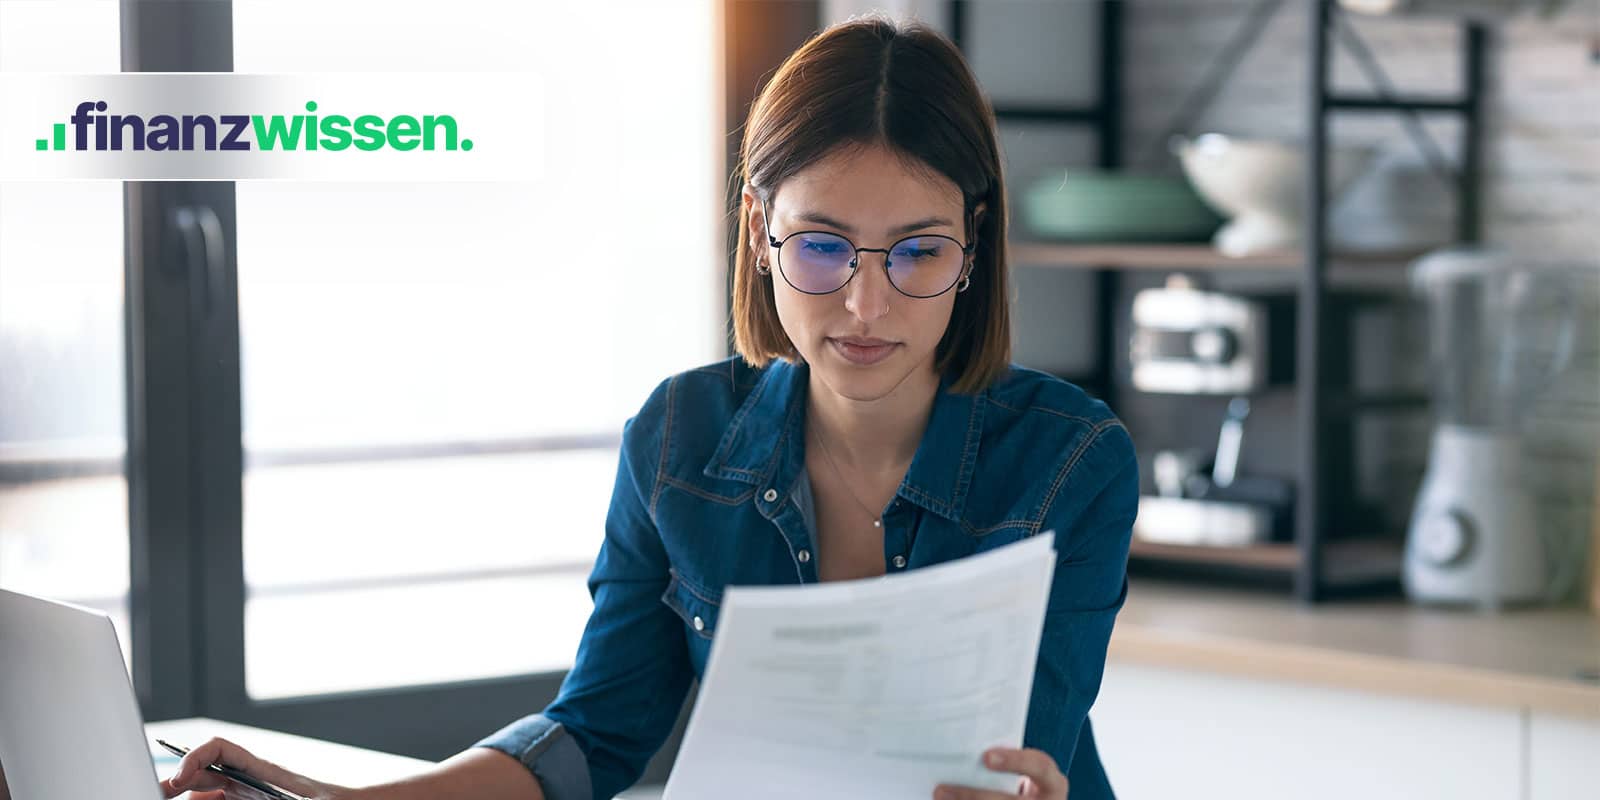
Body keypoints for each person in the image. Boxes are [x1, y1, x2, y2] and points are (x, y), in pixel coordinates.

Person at [164, 15, 1137, 800]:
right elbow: (591, 735)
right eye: (823, 246)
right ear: (759, 229)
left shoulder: (1070, 459)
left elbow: (1024, 758)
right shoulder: (679, 438)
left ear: (972, 244)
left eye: (917, 251)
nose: (865, 305)